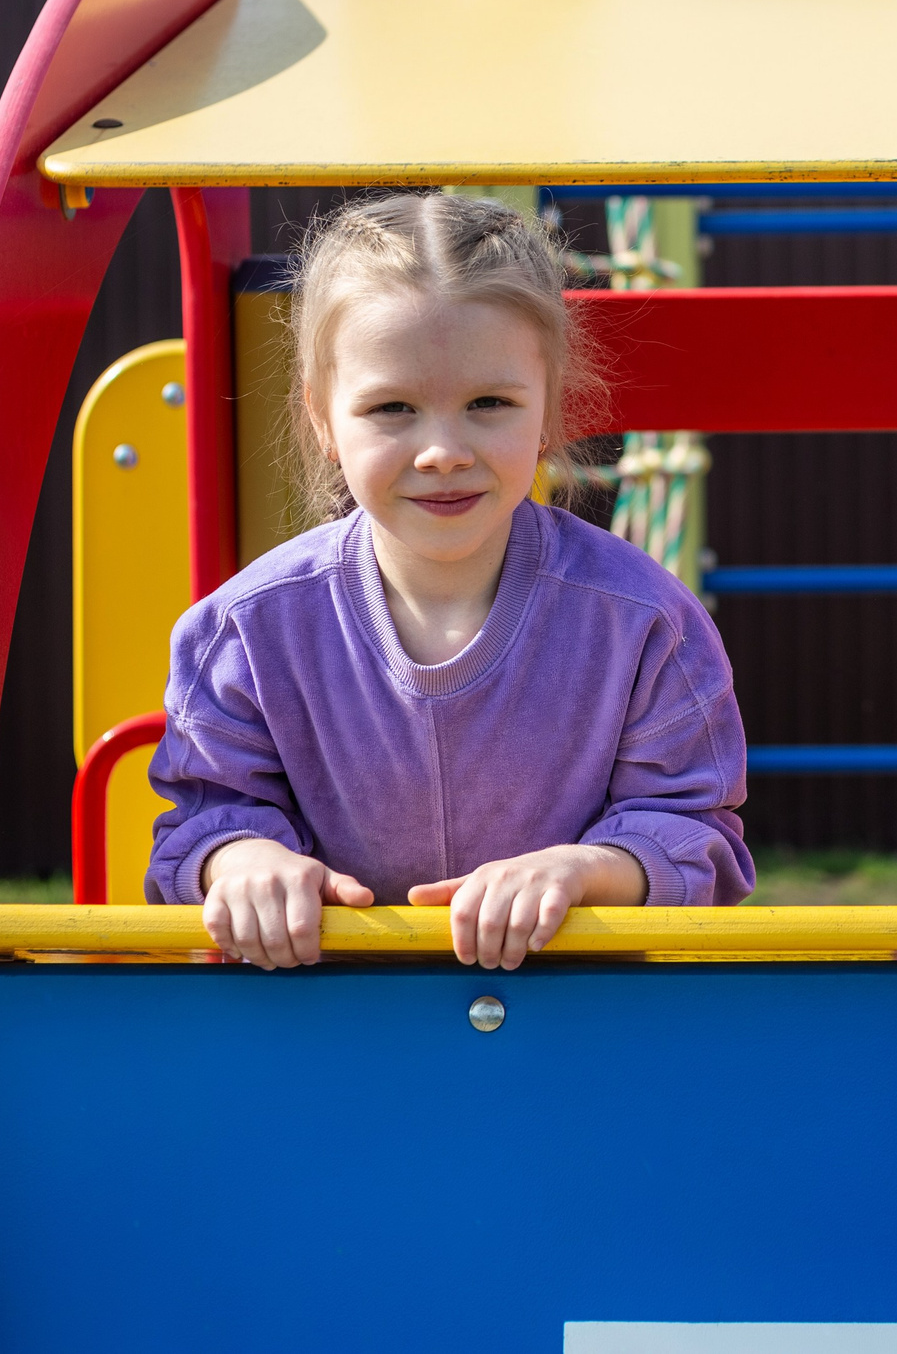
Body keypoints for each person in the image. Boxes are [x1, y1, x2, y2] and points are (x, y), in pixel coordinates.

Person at [145, 194, 752, 969]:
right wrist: (242, 862)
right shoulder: (246, 631)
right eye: (392, 407)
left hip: (573, 1032)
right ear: (325, 419)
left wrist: (586, 870)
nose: (442, 451)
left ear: (549, 409)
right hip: (330, 1031)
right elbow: (205, 817)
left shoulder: (643, 624)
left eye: (488, 403)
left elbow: (695, 835)